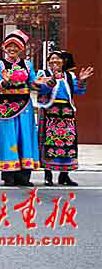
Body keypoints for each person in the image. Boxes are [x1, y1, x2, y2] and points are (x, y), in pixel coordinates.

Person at [0, 30, 49, 187]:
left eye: (16, 46)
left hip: (25, 107)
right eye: (10, 46)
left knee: (25, 137)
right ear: (4, 47)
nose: (12, 49)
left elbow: (33, 83)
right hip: (6, 107)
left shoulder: (27, 65)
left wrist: (41, 83)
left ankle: (24, 176)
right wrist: (4, 82)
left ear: (21, 48)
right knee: (8, 138)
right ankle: (8, 175)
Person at [36, 51, 94, 186]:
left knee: (67, 143)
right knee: (48, 143)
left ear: (63, 62)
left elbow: (78, 91)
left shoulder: (69, 76)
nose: (54, 61)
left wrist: (82, 80)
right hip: (49, 112)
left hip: (67, 113)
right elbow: (41, 90)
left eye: (58, 59)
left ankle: (64, 175)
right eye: (52, 59)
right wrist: (52, 80)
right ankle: (48, 175)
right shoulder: (43, 74)